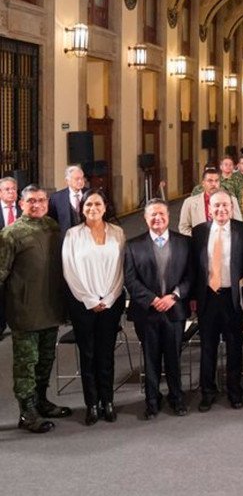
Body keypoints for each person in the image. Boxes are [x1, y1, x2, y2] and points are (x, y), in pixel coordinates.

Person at [0, 184, 71, 433]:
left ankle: (41, 400)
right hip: (25, 310)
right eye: (31, 201)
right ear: (21, 204)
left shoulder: (52, 227)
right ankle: (26, 412)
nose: (37, 205)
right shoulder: (11, 234)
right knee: (26, 364)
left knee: (45, 359)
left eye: (41, 200)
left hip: (50, 306)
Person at [124, 199, 193, 420]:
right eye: (153, 214)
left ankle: (176, 398)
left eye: (162, 214)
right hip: (147, 312)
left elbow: (191, 275)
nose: (158, 218)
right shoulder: (133, 245)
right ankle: (152, 401)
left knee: (174, 356)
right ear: (145, 218)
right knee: (150, 357)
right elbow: (130, 279)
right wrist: (153, 299)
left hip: (175, 309)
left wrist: (173, 297)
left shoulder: (184, 242)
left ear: (168, 216)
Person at [61, 190, 126, 425]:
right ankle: (92, 404)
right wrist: (89, 299)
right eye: (88, 204)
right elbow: (69, 271)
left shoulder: (117, 233)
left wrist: (109, 299)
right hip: (83, 304)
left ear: (105, 206)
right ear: (82, 208)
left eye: (97, 203)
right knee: (88, 354)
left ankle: (107, 401)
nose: (93, 208)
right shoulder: (73, 235)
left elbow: (121, 271)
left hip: (111, 302)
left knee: (106, 354)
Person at [191, 190, 243, 413]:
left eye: (225, 206)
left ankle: (234, 390)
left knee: (234, 346)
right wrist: (192, 297)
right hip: (208, 297)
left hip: (232, 296)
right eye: (216, 206)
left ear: (232, 207)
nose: (221, 210)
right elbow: (193, 268)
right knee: (207, 347)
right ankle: (207, 392)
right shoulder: (199, 232)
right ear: (210, 208)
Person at [179, 167, 242, 235]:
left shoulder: (232, 200)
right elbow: (183, 228)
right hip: (201, 243)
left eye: (216, 181)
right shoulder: (189, 202)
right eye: (210, 181)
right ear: (203, 183)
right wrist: (198, 238)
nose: (214, 184)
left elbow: (239, 225)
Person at [0, 175, 20, 336]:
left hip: (20, 259)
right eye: (7, 189)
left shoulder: (23, 208)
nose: (11, 192)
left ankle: (18, 324)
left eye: (14, 189)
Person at [49, 164, 88, 235]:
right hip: (66, 238)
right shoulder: (57, 198)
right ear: (67, 181)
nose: (80, 181)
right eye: (77, 179)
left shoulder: (91, 194)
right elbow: (52, 220)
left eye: (82, 178)